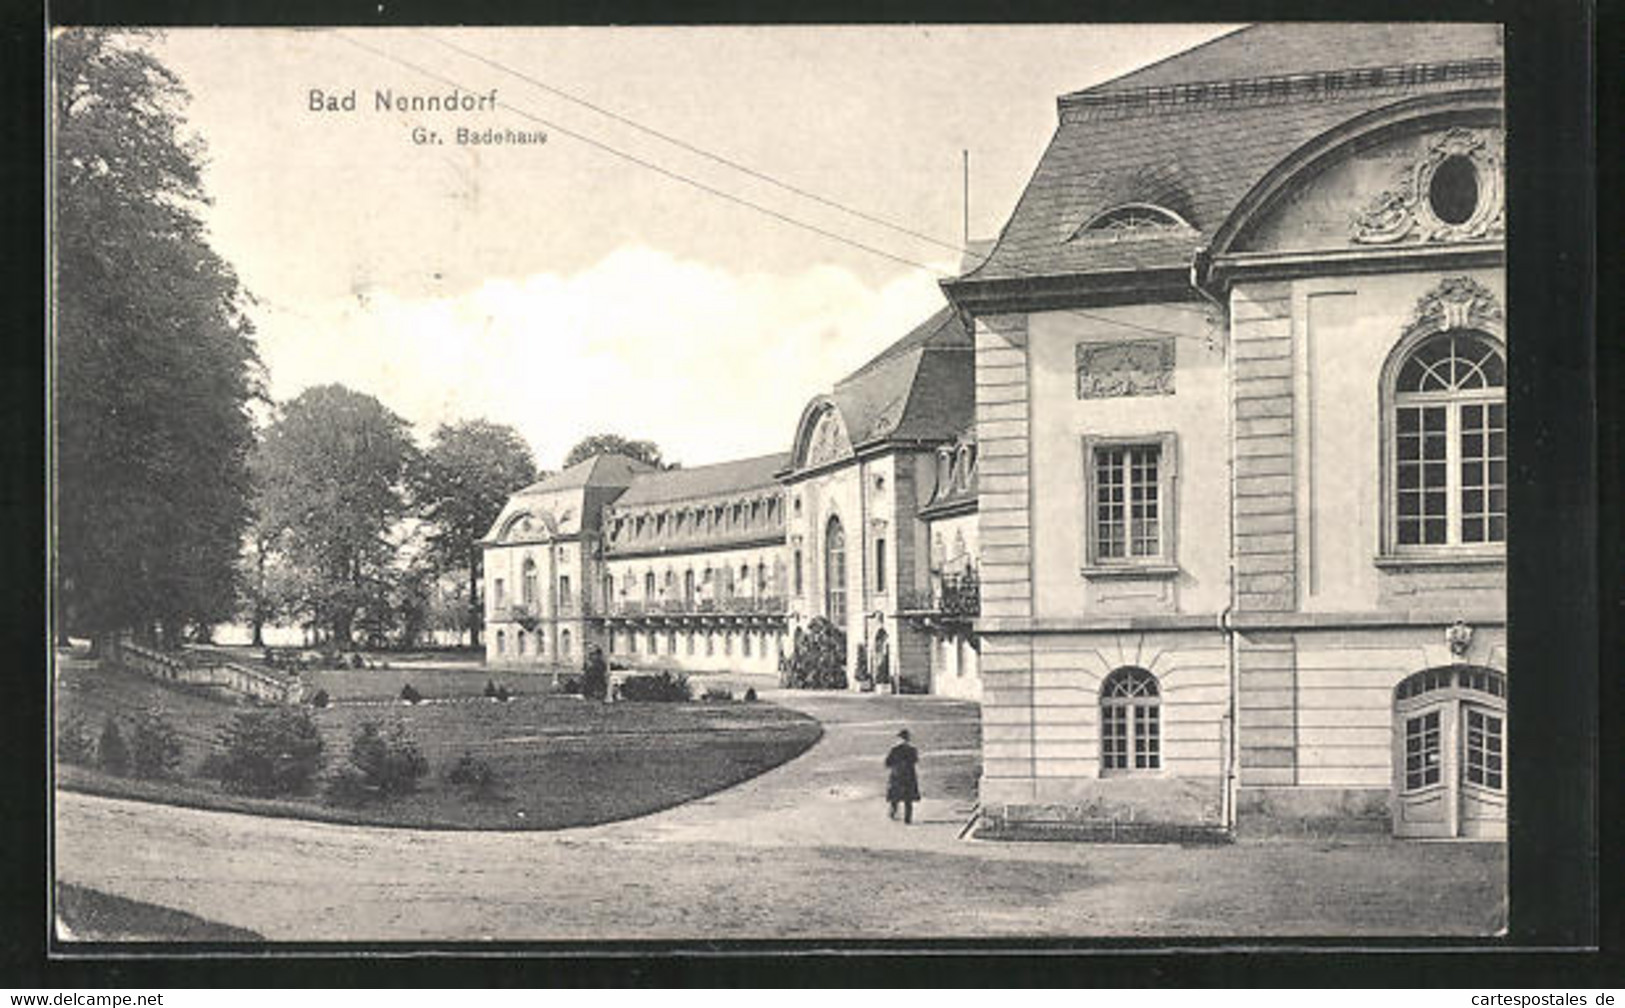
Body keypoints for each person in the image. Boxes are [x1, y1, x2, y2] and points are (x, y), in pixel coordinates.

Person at [885, 729, 920, 824]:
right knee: (908, 799)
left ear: (899, 738)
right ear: (908, 739)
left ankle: (893, 814)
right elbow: (915, 761)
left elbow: (887, 763)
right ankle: (907, 819)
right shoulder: (912, 749)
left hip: (897, 774)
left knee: (895, 796)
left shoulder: (894, 749)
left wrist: (895, 766)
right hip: (909, 775)